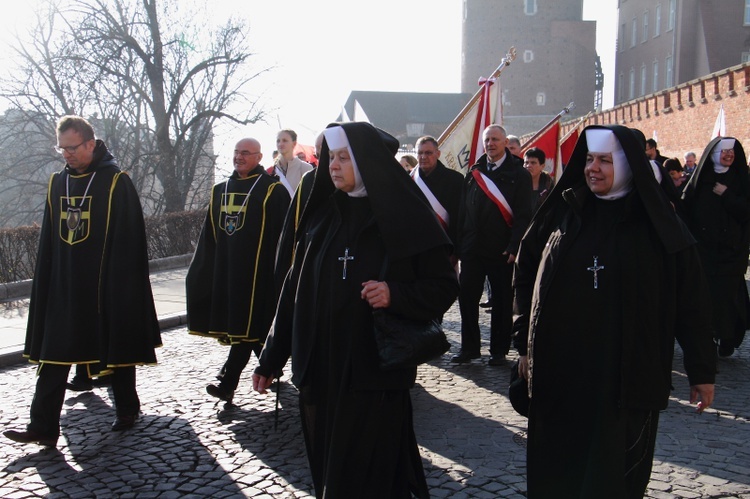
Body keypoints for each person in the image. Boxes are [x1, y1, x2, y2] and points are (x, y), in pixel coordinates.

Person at [252, 122, 458, 498]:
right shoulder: (321, 215)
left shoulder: (403, 216)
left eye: (345, 158)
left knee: (366, 478)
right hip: (321, 373)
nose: (334, 166)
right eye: (331, 157)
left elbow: (443, 286)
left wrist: (395, 294)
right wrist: (270, 357)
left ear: (366, 162)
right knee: (329, 473)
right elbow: (293, 291)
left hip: (373, 374)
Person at [513, 124, 716, 497]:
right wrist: (524, 342)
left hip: (623, 376)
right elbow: (526, 274)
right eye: (589, 159)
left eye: (605, 160)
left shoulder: (659, 226)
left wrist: (702, 370)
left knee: (611, 476)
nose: (593, 168)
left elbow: (692, 302)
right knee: (557, 470)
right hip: (562, 372)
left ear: (626, 165)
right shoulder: (564, 213)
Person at [4, 116, 162, 447]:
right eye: (61, 148)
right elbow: (49, 240)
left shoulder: (117, 182)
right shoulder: (57, 183)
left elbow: (131, 240)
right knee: (54, 355)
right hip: (65, 286)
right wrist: (46, 285)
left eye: (72, 148)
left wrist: (122, 288)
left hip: (105, 285)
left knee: (114, 344)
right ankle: (43, 426)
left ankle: (127, 409)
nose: (66, 154)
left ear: (91, 143)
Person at [186, 138, 290, 404]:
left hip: (259, 277)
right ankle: (270, 367)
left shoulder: (271, 191)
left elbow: (286, 237)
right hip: (228, 273)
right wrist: (202, 272)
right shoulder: (220, 190)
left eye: (246, 153)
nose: (239, 157)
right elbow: (210, 236)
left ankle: (227, 381)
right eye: (236, 152)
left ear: (259, 157)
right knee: (249, 329)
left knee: (248, 327)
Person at [453, 124, 532, 366]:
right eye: (487, 140)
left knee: (501, 301)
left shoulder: (520, 174)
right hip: (472, 248)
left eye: (495, 140)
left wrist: (514, 245)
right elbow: (463, 212)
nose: (490, 144)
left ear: (505, 142)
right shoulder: (474, 172)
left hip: (501, 249)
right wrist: (459, 245)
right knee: (467, 300)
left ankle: (498, 350)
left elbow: (523, 214)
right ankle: (470, 348)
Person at [682, 137, 750, 357]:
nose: (729, 155)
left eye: (732, 151)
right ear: (714, 154)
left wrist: (727, 195)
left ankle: (727, 338)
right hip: (705, 252)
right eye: (724, 151)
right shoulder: (702, 180)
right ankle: (708, 336)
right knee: (706, 297)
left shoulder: (741, 179)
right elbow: (686, 208)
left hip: (732, 253)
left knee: (728, 299)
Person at [411, 136, 464, 260]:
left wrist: (455, 251)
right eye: (420, 153)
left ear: (438, 154)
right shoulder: (409, 180)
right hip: (416, 247)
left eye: (428, 153)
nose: (423, 157)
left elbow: (458, 218)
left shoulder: (455, 180)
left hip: (444, 247)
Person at [268, 129, 314, 196]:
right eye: (278, 141)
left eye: (285, 141)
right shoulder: (271, 171)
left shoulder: (305, 168)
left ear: (294, 143)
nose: (280, 144)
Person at [523, 147, 555, 213]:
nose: (528, 166)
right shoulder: (517, 184)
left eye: (533, 163)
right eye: (526, 162)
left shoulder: (549, 186)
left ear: (542, 166)